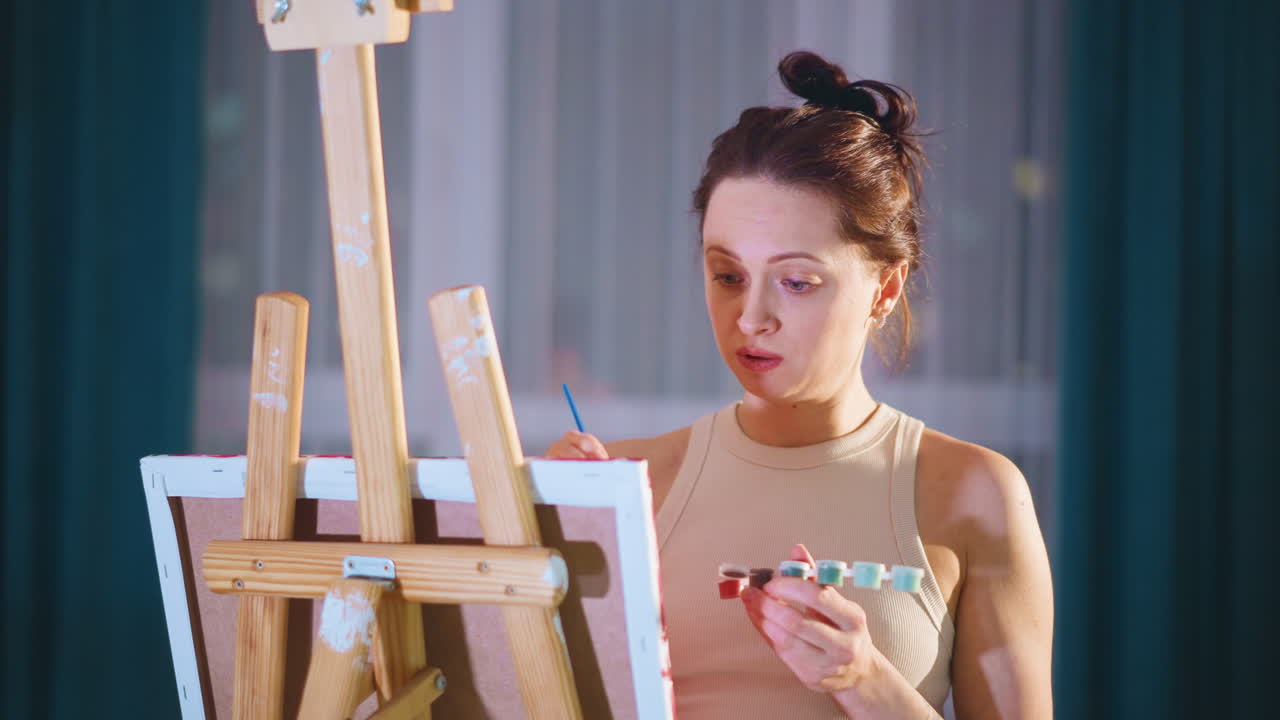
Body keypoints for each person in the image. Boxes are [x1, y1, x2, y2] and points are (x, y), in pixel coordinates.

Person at [546, 51, 1053, 719]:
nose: (750, 317)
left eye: (797, 282)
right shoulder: (627, 483)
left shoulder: (973, 494)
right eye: (727, 275)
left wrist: (864, 680)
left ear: (885, 287)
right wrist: (534, 556)